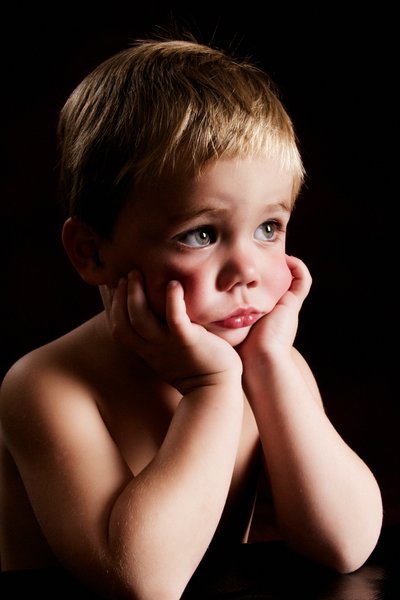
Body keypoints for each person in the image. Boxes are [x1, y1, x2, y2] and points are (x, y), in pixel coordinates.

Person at [0, 35, 383, 600]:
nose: (247, 270)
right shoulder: (47, 388)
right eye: (201, 235)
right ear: (92, 252)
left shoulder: (266, 363)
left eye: (269, 229)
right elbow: (143, 582)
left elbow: (346, 543)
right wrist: (211, 389)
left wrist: (273, 367)